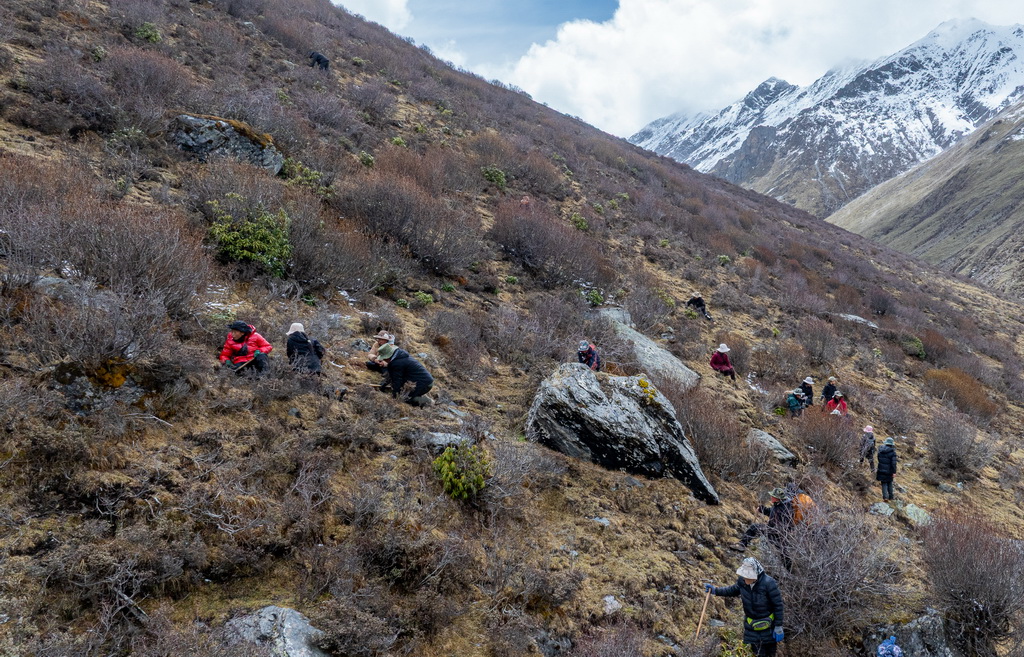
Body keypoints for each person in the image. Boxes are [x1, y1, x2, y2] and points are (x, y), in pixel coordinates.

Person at [704, 557, 785, 657]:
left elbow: (778, 605)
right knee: (758, 654)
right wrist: (715, 591)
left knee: (770, 654)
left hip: (769, 628)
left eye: (748, 576)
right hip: (752, 627)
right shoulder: (742, 582)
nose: (746, 578)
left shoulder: (769, 583)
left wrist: (778, 626)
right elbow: (731, 590)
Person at [732, 488, 794, 556]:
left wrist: (769, 530)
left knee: (754, 528)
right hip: (775, 531)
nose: (771, 497)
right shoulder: (778, 505)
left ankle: (742, 545)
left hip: (777, 533)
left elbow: (782, 526)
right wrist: (762, 509)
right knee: (782, 551)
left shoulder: (783, 509)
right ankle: (742, 544)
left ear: (777, 498)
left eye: (773, 496)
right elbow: (771, 512)